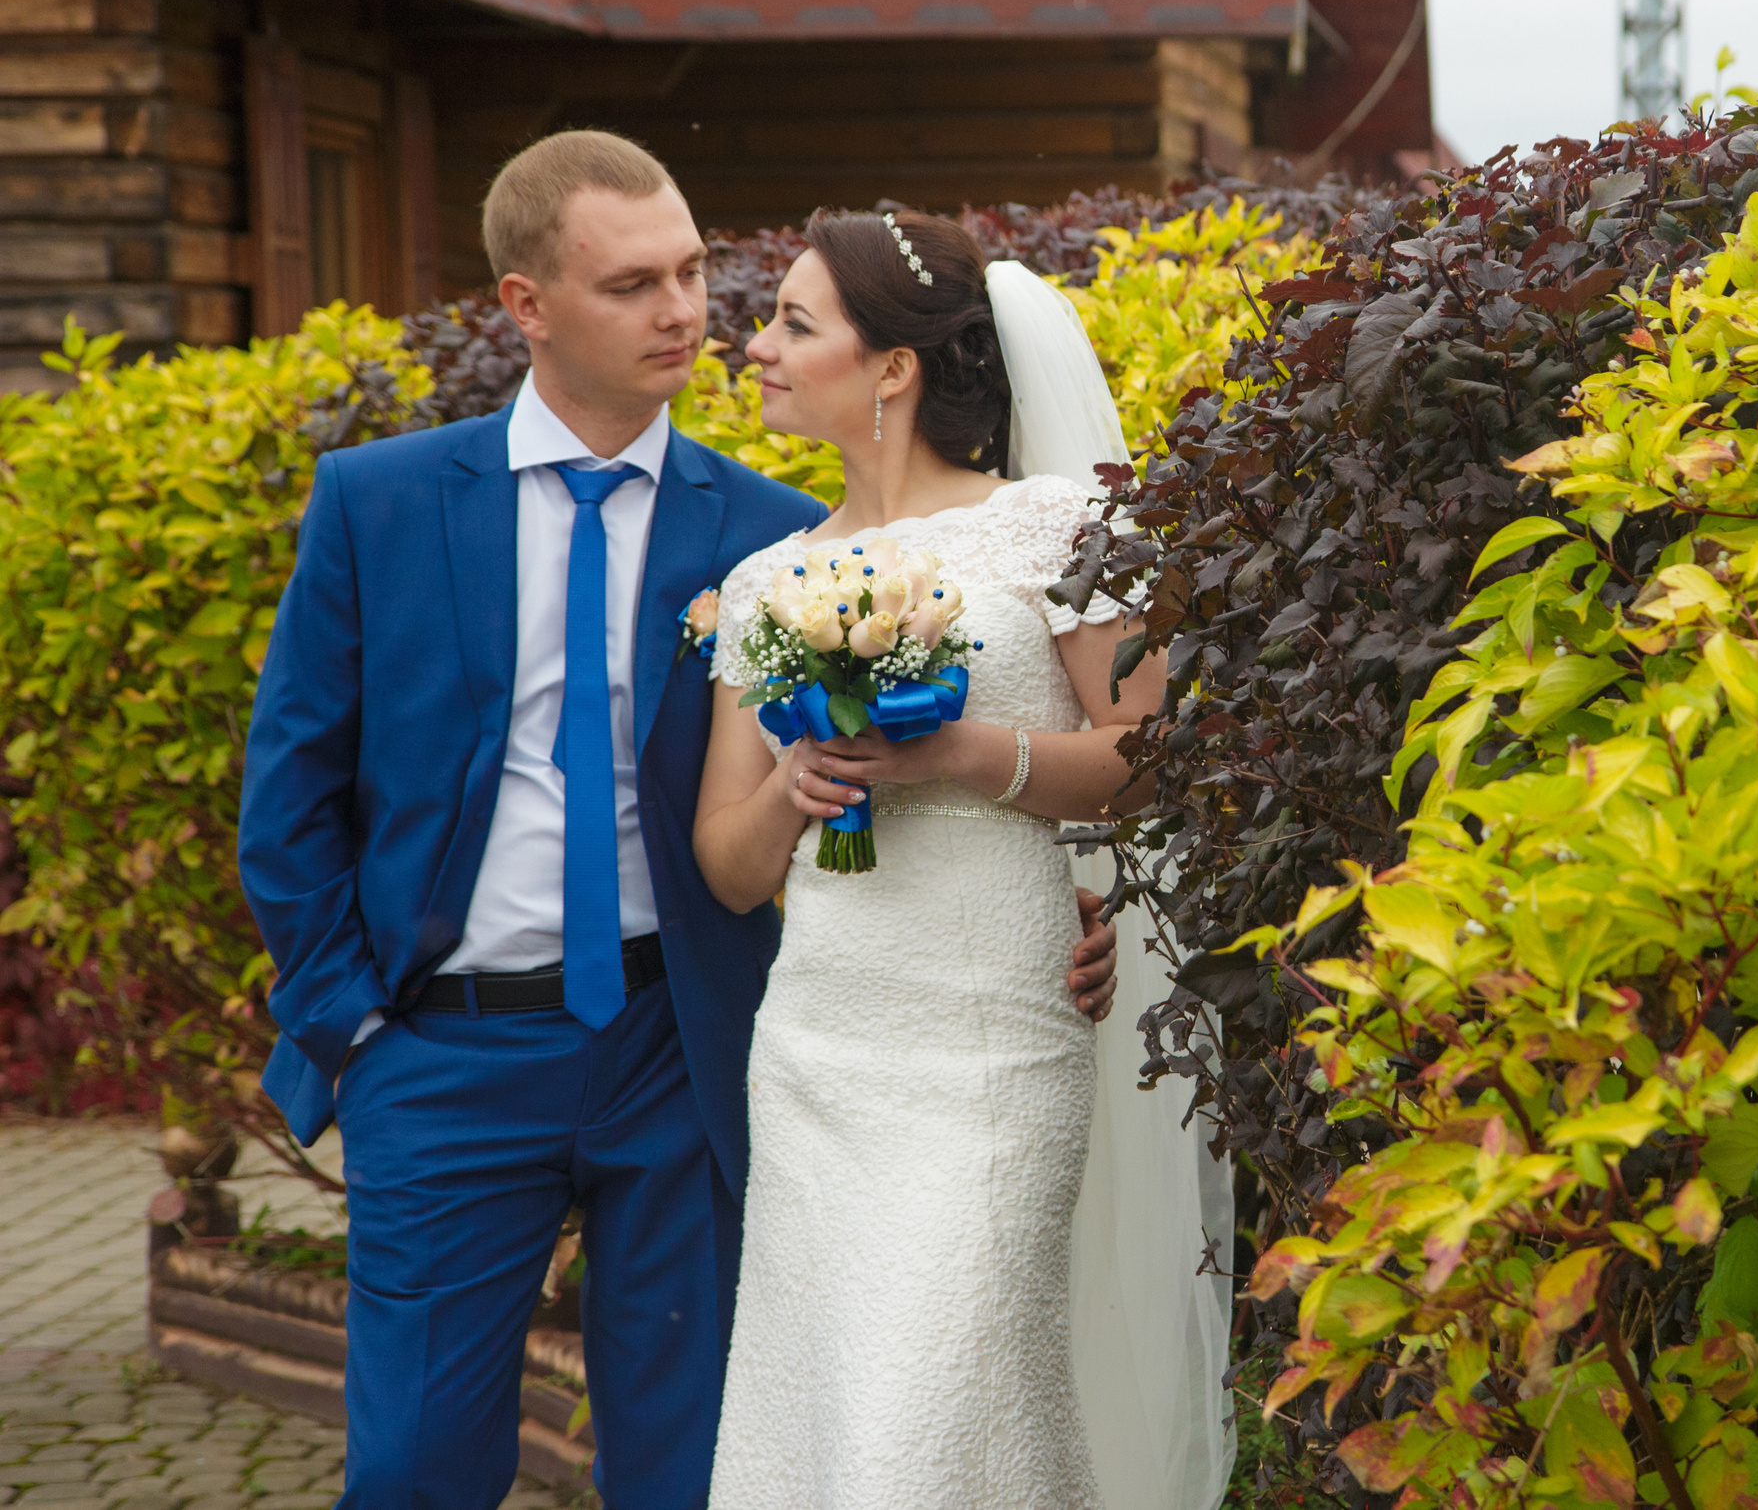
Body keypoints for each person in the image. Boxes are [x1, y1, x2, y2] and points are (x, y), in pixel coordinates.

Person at [236, 130, 1121, 1510]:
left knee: (700, 1465)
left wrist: (1053, 895)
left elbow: (1035, 755)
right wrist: (354, 1034)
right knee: (412, 1467)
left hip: (686, 1052)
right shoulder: (382, 502)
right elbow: (290, 796)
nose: (685, 313)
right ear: (528, 304)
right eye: (634, 283)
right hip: (443, 1053)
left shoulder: (770, 532)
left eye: (696, 273)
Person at [694, 208, 1230, 1508]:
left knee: (927, 1429)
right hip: (823, 1049)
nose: (753, 347)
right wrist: (795, 784)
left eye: (793, 322)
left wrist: (966, 756)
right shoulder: (765, 583)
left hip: (995, 1042)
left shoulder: (1055, 528)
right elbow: (728, 864)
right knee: (833, 1425)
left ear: (894, 367)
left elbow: (1149, 755)